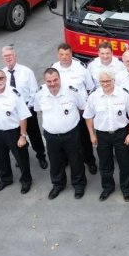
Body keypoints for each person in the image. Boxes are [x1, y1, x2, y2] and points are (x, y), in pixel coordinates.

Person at [83, 71, 129, 202]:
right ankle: (108, 187)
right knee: (105, 164)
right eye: (103, 81)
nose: (106, 84)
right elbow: (88, 116)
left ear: (114, 80)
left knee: (125, 163)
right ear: (99, 82)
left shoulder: (123, 95)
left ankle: (125, 188)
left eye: (108, 81)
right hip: (102, 135)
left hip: (121, 133)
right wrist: (91, 134)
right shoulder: (94, 97)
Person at [34, 68, 88, 200]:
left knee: (76, 160)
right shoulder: (40, 94)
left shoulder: (72, 91)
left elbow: (82, 108)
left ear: (60, 79)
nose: (52, 84)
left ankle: (79, 184)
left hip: (71, 133)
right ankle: (58, 184)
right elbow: (39, 110)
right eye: (49, 81)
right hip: (51, 135)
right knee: (55, 161)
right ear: (45, 81)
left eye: (55, 80)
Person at [0, 69, 33, 194]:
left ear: (5, 79)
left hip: (14, 132)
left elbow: (23, 116)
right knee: (1, 159)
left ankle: (26, 180)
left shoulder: (15, 94)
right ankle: (5, 179)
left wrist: (22, 135)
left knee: (21, 158)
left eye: (1, 78)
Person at [52, 43, 98, 175]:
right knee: (67, 137)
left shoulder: (81, 68)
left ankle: (90, 161)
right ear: (58, 55)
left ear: (71, 54)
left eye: (67, 54)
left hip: (81, 109)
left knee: (84, 137)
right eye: (61, 54)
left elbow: (90, 87)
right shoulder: (54, 68)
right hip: (64, 109)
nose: (64, 57)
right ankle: (66, 160)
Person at [1, 45, 48, 170]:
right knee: (17, 135)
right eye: (5, 56)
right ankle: (21, 155)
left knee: (34, 134)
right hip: (12, 112)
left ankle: (41, 155)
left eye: (10, 55)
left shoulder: (26, 72)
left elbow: (34, 92)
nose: (8, 58)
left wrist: (27, 108)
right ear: (2, 58)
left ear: (15, 56)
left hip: (28, 109)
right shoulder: (2, 74)